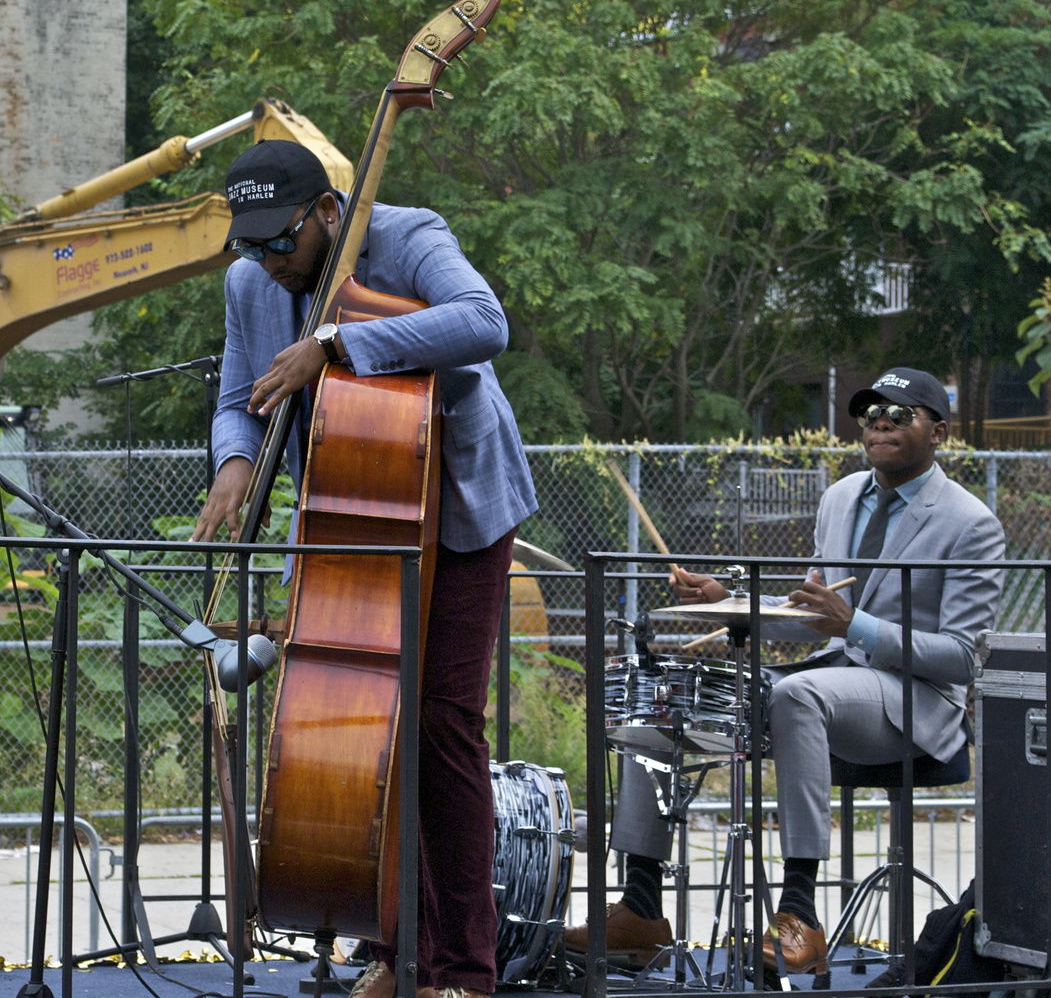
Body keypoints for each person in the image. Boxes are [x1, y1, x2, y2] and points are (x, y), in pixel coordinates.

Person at [190, 140, 538, 998]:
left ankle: (463, 969)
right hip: (351, 509)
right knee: (372, 727)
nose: (267, 261)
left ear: (328, 214)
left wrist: (339, 344)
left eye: (281, 241)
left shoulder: (407, 235)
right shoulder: (250, 284)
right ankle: (396, 947)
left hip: (457, 511)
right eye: (251, 243)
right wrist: (233, 460)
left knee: (439, 724)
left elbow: (483, 323)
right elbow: (240, 399)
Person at [574, 367, 1004, 978]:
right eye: (870, 413)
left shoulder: (970, 522)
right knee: (668, 693)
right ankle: (642, 909)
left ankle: (799, 915)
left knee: (798, 692)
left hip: (915, 703)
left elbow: (962, 656)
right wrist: (732, 602)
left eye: (899, 414)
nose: (880, 423)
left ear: (938, 431)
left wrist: (854, 625)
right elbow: (813, 617)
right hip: (836, 680)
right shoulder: (841, 498)